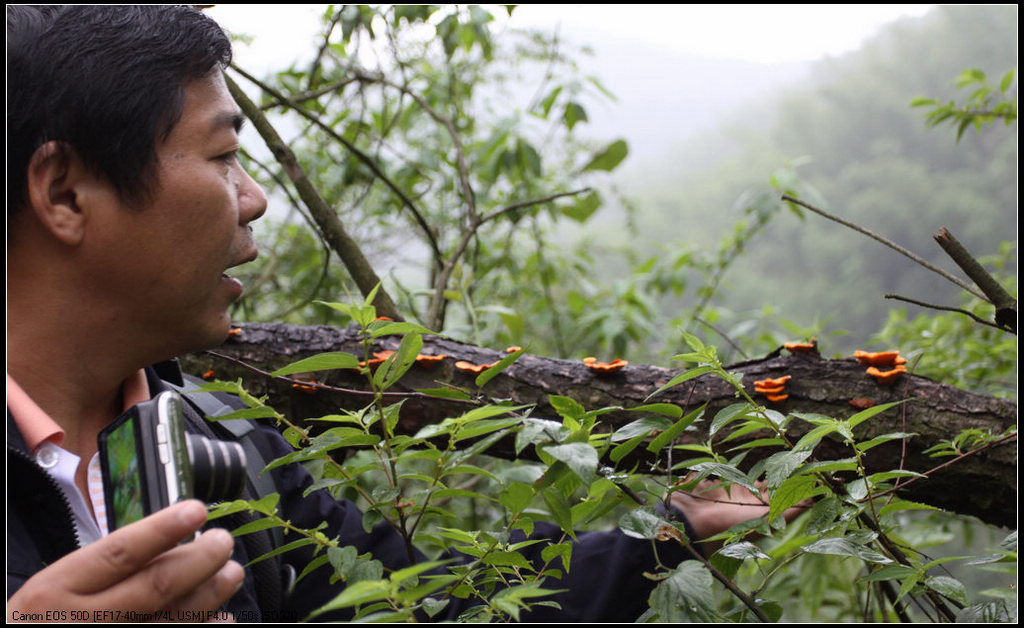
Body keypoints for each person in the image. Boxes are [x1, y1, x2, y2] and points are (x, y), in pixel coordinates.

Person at [6, 6, 795, 622]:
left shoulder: (227, 456)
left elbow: (437, 611)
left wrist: (670, 527)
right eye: (220, 157)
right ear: (65, 192)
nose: (254, 197)